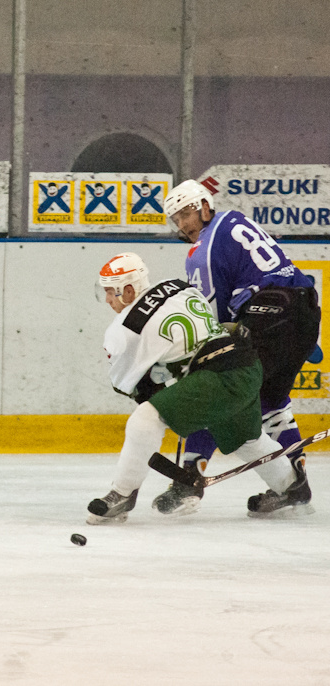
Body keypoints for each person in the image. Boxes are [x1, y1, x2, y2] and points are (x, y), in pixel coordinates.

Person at [87, 252, 299, 524]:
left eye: (110, 293)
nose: (107, 300)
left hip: (217, 378)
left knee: (145, 417)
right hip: (246, 365)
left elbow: (127, 385)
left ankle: (122, 494)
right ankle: (292, 489)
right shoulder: (177, 285)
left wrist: (161, 390)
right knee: (248, 440)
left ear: (128, 290)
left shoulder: (124, 329)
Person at [163, 180, 320, 516]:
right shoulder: (234, 220)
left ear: (205, 207)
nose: (183, 224)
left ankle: (189, 477)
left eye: (186, 213)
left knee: (218, 386)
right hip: (305, 310)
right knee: (270, 400)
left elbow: (213, 320)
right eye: (176, 219)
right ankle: (295, 481)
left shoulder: (200, 252)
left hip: (269, 314)